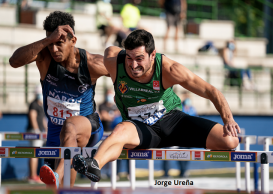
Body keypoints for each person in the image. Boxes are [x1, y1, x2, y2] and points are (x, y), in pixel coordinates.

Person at [72, 29, 241, 182]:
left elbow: (210, 90)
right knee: (120, 131)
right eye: (129, 58)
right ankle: (94, 164)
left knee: (231, 141)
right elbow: (109, 51)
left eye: (139, 59)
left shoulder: (169, 69)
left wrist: (228, 119)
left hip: (173, 122)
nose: (133, 65)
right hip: (140, 129)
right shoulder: (115, 63)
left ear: (153, 55)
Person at [9, 11, 109, 188]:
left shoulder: (92, 64)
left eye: (59, 43)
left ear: (73, 40)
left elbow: (126, 72)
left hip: (88, 127)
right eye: (51, 43)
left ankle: (57, 172)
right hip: (56, 133)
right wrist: (47, 40)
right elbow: (14, 61)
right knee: (62, 188)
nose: (54, 49)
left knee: (70, 126)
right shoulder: (45, 58)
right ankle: (59, 177)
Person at [27, 85, 47, 183]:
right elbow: (32, 116)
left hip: (40, 132)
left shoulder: (41, 105)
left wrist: (46, 129)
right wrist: (36, 130)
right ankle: (32, 176)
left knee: (37, 154)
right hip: (34, 132)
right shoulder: (34, 104)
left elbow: (42, 119)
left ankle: (35, 175)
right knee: (34, 153)